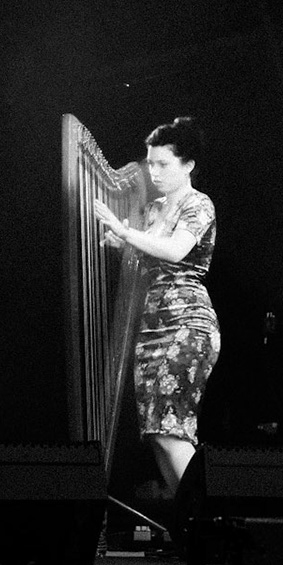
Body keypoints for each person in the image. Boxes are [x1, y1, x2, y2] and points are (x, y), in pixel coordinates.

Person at [90, 116, 219, 496]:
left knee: (171, 428)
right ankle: (191, 519)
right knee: (158, 435)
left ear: (189, 165)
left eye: (164, 163)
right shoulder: (154, 209)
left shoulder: (199, 204)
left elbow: (176, 251)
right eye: (151, 162)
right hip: (152, 329)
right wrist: (121, 244)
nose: (154, 171)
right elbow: (148, 259)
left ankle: (204, 517)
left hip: (185, 324)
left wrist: (126, 231)